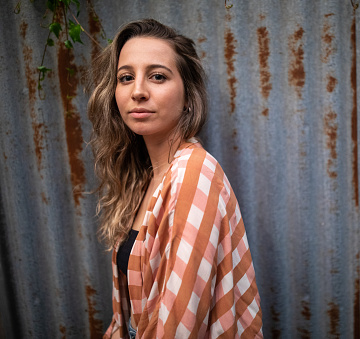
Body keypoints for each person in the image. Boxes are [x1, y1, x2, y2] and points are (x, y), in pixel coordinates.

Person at [87, 19, 263, 338]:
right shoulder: (146, 181)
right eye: (126, 77)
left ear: (187, 95)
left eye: (157, 76)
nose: (138, 91)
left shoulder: (194, 174)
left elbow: (179, 327)